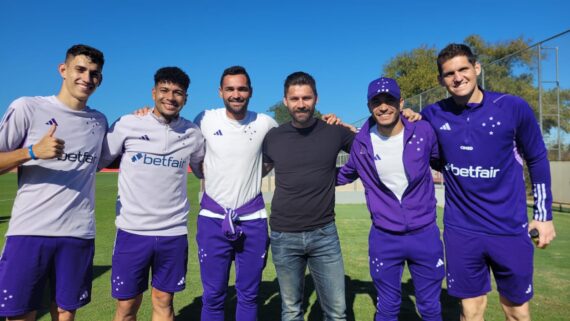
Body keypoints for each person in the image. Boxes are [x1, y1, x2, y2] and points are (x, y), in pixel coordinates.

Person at [417, 44, 556, 321]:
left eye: (463, 69)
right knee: (470, 312)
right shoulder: (432, 115)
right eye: (449, 74)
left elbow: (537, 158)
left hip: (509, 229)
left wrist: (543, 216)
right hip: (462, 231)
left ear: (477, 68)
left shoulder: (512, 107)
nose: (457, 78)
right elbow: (396, 129)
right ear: (440, 80)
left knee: (516, 311)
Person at [0, 44, 107, 321]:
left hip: (78, 233)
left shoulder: (98, 121)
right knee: (20, 315)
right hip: (29, 231)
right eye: (80, 69)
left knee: (64, 314)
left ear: (100, 79)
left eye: (94, 73)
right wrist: (32, 152)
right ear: (63, 70)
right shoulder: (28, 107)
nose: (87, 78)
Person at [99, 67, 205, 321]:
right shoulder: (129, 123)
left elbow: (203, 170)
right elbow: (101, 159)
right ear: (154, 92)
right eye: (165, 90)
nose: (171, 97)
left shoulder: (192, 134)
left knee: (164, 301)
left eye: (178, 92)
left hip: (173, 232)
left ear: (186, 98)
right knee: (126, 306)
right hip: (132, 231)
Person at [336, 77, 444, 321]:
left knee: (430, 308)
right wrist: (305, 174)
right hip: (384, 238)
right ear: (369, 106)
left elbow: (443, 161)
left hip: (424, 234)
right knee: (387, 307)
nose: (383, 106)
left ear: (401, 102)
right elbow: (344, 174)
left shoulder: (423, 131)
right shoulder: (361, 144)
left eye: (389, 100)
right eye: (377, 101)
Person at [262, 71, 355, 321]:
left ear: (316, 98)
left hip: (324, 234)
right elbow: (255, 170)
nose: (301, 104)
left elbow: (369, 150)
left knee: (337, 312)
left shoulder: (334, 131)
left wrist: (349, 127)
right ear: (285, 101)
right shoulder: (273, 137)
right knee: (291, 311)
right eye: (294, 98)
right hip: (283, 235)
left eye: (306, 97)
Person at [193, 66, 278, 321]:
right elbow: (193, 155)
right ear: (220, 92)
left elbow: (279, 152)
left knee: (249, 294)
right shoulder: (204, 118)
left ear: (250, 92)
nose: (236, 94)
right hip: (212, 218)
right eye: (230, 89)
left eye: (241, 89)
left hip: (253, 219)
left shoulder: (265, 123)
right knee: (213, 295)